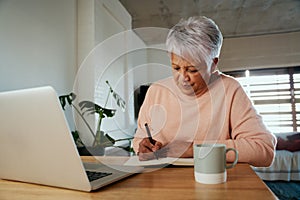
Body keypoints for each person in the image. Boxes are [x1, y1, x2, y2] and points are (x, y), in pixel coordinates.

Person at [133, 16, 276, 167]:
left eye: (192, 70)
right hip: (161, 182)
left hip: (213, 182)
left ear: (213, 64)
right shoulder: (156, 91)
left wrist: (192, 149)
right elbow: (139, 141)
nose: (183, 78)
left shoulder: (230, 89)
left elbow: (264, 150)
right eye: (176, 68)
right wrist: (142, 148)